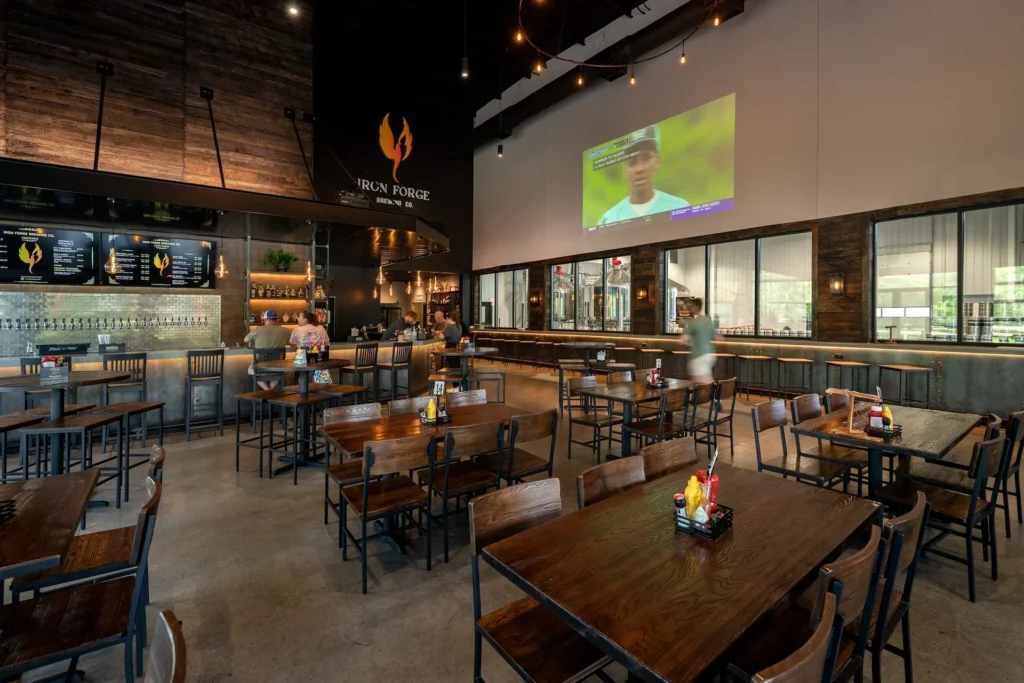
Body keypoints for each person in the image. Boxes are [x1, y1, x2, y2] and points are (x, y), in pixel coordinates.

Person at [597, 125, 690, 226]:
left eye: (646, 158)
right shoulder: (609, 220)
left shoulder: (680, 208)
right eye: (632, 162)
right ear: (625, 171)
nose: (639, 169)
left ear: (657, 162)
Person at [243, 310, 291, 390]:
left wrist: (255, 341)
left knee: (251, 370)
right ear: (277, 320)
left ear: (265, 320)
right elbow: (290, 342)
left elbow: (246, 340)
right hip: (279, 367)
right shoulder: (286, 330)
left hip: (260, 368)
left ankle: (267, 391)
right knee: (279, 372)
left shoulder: (258, 329)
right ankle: (270, 391)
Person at [680, 298, 722, 384]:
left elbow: (682, 340)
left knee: (699, 383)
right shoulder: (707, 320)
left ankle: (712, 391)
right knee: (706, 379)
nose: (690, 308)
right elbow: (718, 338)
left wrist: (688, 343)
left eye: (691, 306)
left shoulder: (693, 322)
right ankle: (713, 390)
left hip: (698, 356)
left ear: (696, 307)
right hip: (710, 355)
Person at [289, 311, 332, 383]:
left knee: (297, 369)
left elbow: (292, 343)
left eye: (299, 317)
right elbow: (327, 343)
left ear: (305, 319)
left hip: (303, 362)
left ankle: (300, 386)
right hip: (319, 361)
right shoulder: (321, 328)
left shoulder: (297, 330)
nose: (297, 318)